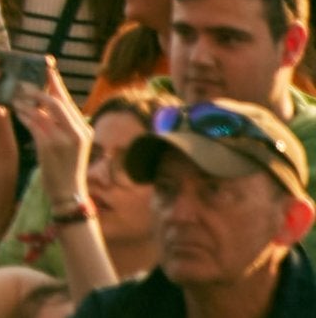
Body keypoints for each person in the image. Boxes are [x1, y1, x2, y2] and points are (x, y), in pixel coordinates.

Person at [69, 98, 314, 318]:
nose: (179, 215)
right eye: (167, 189)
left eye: (214, 191)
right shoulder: (111, 312)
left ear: (291, 220)